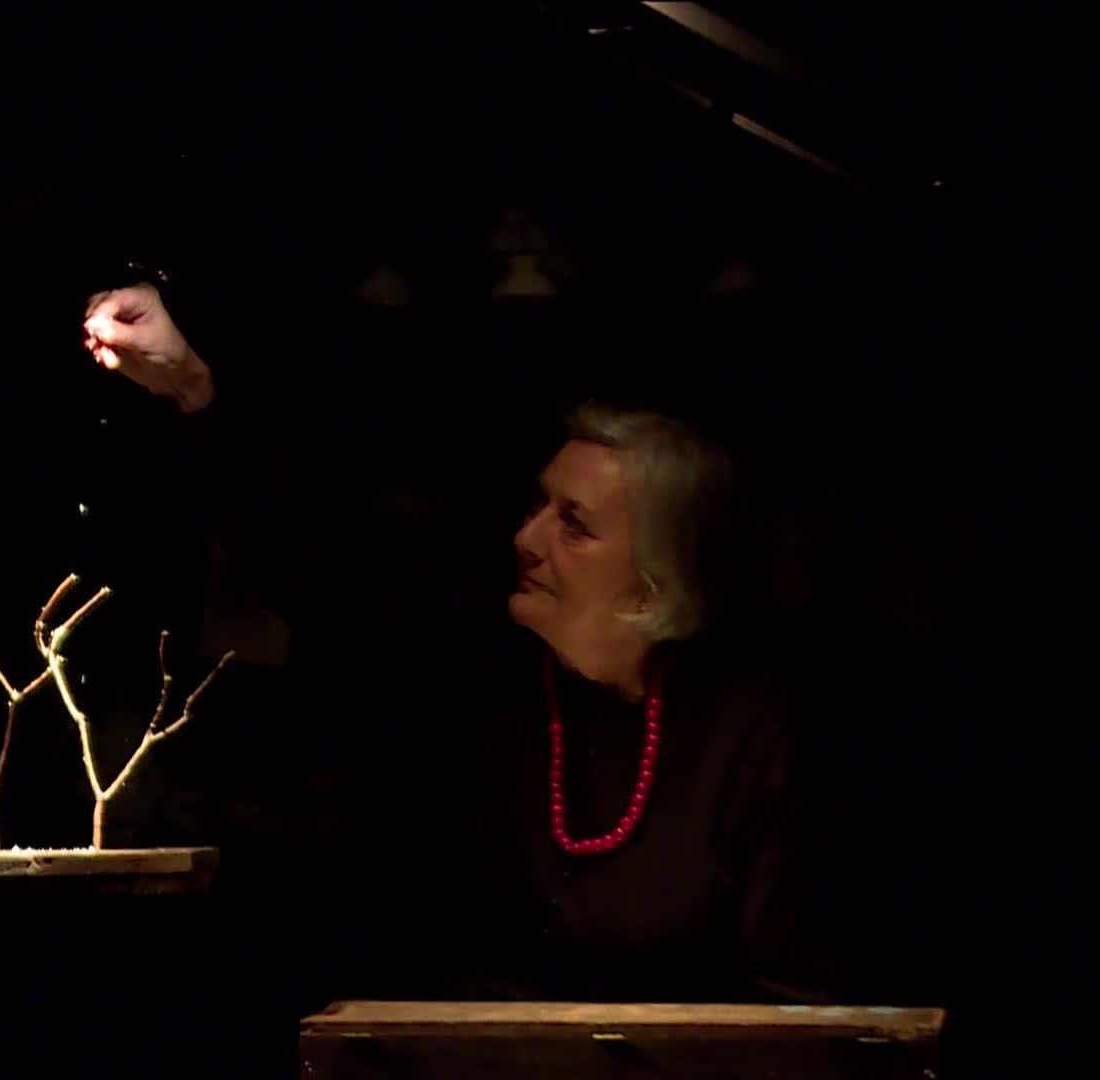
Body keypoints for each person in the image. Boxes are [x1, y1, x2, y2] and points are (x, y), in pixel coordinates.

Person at [79, 281, 842, 1005]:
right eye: (538, 508)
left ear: (653, 586)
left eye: (574, 525)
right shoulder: (483, 671)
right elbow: (312, 569)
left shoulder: (753, 737)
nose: (527, 538)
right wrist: (192, 387)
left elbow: (795, 1009)